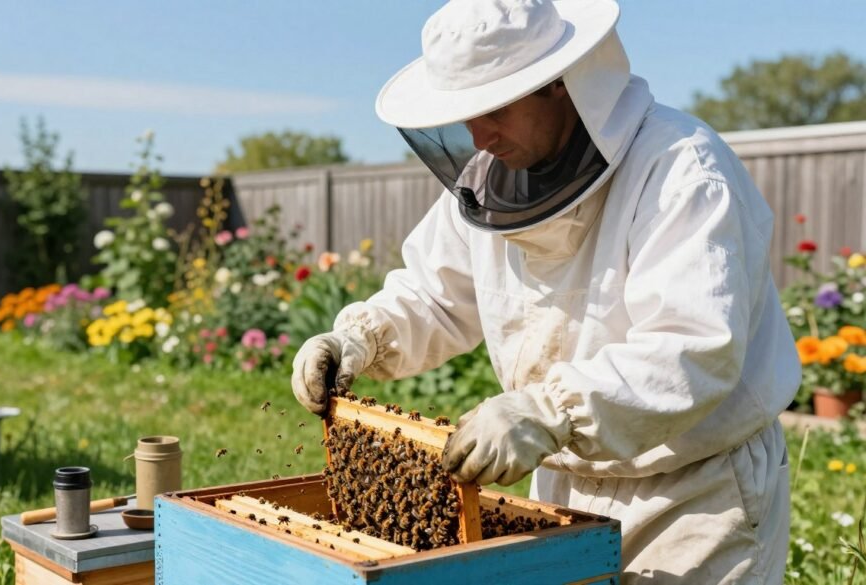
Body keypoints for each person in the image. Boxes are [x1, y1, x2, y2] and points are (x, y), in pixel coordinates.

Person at [291, 0, 800, 582]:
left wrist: (548, 410)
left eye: (495, 108)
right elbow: (434, 294)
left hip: (692, 492)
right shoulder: (490, 181)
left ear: (559, 83)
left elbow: (692, 349)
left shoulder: (681, 170)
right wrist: (359, 339)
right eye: (464, 115)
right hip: (561, 483)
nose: (479, 136)